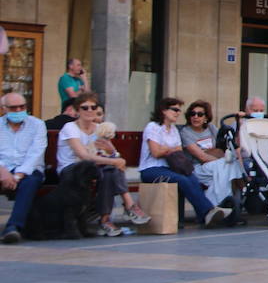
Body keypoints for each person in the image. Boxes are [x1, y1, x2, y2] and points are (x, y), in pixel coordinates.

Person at [55, 93, 141, 236]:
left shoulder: (99, 128)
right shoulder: (69, 127)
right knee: (110, 168)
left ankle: (105, 219)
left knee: (110, 172)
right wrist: (115, 161)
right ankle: (128, 206)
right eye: (85, 107)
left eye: (93, 107)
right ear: (77, 111)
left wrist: (113, 153)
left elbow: (112, 153)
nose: (89, 110)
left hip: (93, 168)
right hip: (71, 169)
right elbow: (83, 155)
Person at [140, 97, 227, 228]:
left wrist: (166, 149)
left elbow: (178, 151)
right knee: (182, 180)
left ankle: (205, 215)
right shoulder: (153, 127)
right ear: (164, 110)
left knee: (192, 178)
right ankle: (208, 212)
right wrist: (169, 149)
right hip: (151, 169)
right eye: (175, 109)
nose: (177, 113)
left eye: (179, 110)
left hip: (170, 168)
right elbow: (155, 152)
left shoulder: (174, 130)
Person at [180, 100, 245, 224]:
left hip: (214, 168)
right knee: (225, 167)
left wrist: (239, 123)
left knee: (224, 170)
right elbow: (201, 156)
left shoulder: (211, 128)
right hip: (197, 168)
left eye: (200, 114)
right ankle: (222, 206)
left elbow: (224, 146)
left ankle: (215, 210)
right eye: (192, 114)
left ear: (206, 117)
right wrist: (221, 159)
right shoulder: (185, 132)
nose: (195, 117)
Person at [1, 92, 46, 243]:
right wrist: (3, 171)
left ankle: (13, 227)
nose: (19, 110)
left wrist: (18, 175)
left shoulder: (37, 124)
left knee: (29, 182)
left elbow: (36, 153)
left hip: (28, 170)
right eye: (14, 108)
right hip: (3, 169)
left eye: (23, 106)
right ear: (4, 109)